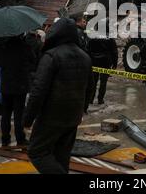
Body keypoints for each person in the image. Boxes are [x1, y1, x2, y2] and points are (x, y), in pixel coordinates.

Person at [23, 18, 93, 174]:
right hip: (73, 116)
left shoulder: (51, 56)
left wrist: (28, 119)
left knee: (37, 152)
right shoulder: (85, 56)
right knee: (62, 155)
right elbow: (90, 88)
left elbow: (38, 91)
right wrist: (83, 109)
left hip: (51, 116)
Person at [0, 36, 33, 147]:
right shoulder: (25, 47)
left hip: (6, 83)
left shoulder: (1, 46)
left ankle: (5, 139)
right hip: (20, 84)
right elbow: (33, 61)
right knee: (19, 114)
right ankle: (20, 139)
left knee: (6, 113)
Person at [88, 36, 118, 105]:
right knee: (103, 83)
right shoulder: (110, 38)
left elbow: (88, 49)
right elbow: (114, 52)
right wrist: (114, 64)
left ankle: (90, 99)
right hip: (106, 62)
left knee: (93, 82)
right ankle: (100, 100)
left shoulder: (93, 37)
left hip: (94, 61)